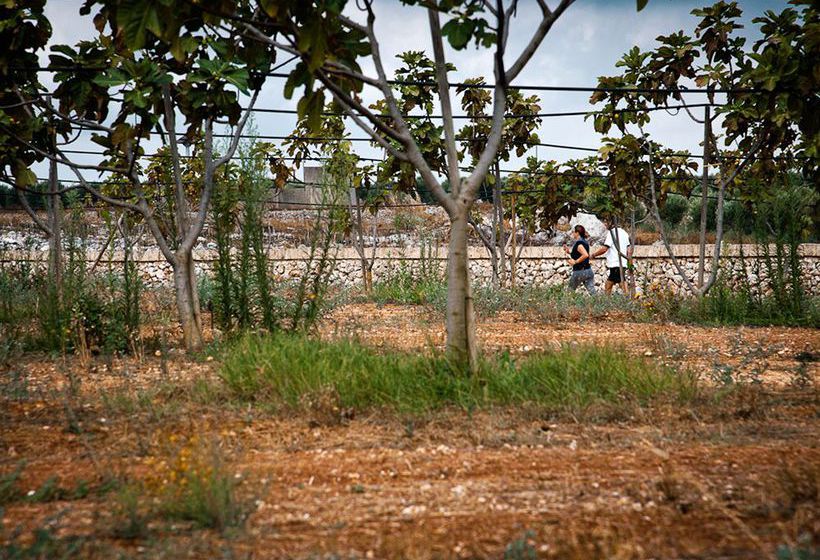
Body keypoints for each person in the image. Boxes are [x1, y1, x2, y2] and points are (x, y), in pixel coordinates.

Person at [591, 219, 633, 294]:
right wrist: (630, 266)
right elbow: (629, 251)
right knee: (613, 284)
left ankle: (628, 300)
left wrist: (593, 255)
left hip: (615, 264)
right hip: (622, 264)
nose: (604, 224)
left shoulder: (612, 233)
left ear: (611, 222)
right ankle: (611, 302)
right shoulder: (625, 233)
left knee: (617, 284)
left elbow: (604, 249)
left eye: (606, 222)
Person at [564, 224, 595, 294]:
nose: (573, 234)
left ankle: (567, 305)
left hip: (579, 272)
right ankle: (601, 304)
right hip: (588, 271)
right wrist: (569, 252)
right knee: (593, 293)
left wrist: (575, 262)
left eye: (573, 232)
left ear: (577, 233)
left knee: (569, 293)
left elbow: (585, 255)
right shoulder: (585, 242)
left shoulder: (579, 243)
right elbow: (581, 254)